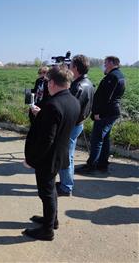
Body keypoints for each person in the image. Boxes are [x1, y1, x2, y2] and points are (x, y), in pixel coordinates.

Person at [23, 66, 80, 241]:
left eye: (48, 82)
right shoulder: (73, 101)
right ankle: (52, 220)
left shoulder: (53, 105)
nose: (46, 85)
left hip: (48, 158)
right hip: (59, 154)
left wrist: (31, 160)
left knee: (46, 193)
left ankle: (47, 230)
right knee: (50, 191)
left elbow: (46, 140)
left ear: (53, 83)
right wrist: (44, 115)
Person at [76, 56, 125, 173]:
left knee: (96, 139)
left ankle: (91, 166)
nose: (104, 65)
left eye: (105, 63)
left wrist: (98, 113)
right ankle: (102, 164)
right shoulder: (118, 75)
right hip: (111, 112)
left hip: (106, 113)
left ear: (112, 63)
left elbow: (106, 98)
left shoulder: (113, 76)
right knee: (104, 138)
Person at [56, 55, 94, 196]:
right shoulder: (88, 82)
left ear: (75, 68)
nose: (68, 67)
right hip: (79, 124)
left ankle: (66, 187)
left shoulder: (78, 86)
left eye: (70, 65)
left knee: (66, 156)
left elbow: (69, 108)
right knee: (68, 155)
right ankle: (66, 182)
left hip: (71, 125)